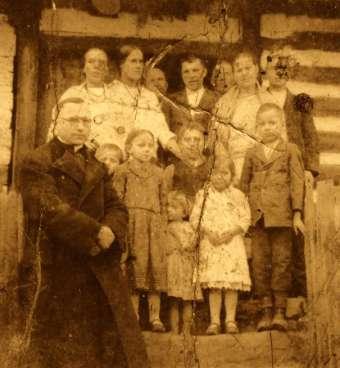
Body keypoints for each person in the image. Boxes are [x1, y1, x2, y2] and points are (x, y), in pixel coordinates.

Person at [20, 98, 149, 368]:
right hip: (58, 263)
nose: (81, 126)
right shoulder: (38, 161)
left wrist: (111, 230)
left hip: (99, 258)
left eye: (85, 121)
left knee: (115, 345)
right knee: (68, 348)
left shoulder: (96, 163)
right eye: (73, 120)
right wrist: (96, 232)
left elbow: (117, 206)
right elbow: (50, 209)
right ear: (57, 122)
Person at [240, 103, 305, 332]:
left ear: (282, 125)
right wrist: (244, 217)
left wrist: (297, 214)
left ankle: (279, 311)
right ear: (257, 127)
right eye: (263, 124)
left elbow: (297, 184)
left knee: (282, 262)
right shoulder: (252, 152)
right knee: (259, 264)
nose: (268, 128)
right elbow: (243, 185)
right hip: (258, 219)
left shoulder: (290, 150)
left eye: (272, 123)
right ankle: (265, 310)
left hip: (282, 218)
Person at [263, 45, 320, 300]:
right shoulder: (258, 98)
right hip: (267, 173)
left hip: (294, 172)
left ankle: (299, 293)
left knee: (296, 232)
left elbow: (311, 137)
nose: (281, 73)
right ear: (266, 69)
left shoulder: (299, 101)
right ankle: (267, 297)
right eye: (276, 68)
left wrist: (309, 169)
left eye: (286, 70)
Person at [113, 129, 167, 333]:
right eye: (140, 145)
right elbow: (117, 200)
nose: (146, 149)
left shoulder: (159, 173)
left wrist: (161, 225)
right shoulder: (122, 171)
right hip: (132, 225)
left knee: (155, 269)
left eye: (150, 145)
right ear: (129, 148)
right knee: (134, 270)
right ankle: (133, 317)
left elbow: (163, 202)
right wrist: (121, 225)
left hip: (153, 227)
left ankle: (155, 317)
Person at [190, 159, 251, 335]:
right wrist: (208, 232)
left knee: (231, 284)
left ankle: (230, 320)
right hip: (211, 243)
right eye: (215, 173)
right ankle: (214, 321)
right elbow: (195, 218)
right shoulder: (203, 195)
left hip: (232, 243)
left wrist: (232, 232)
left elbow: (245, 218)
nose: (220, 177)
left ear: (232, 176)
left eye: (225, 173)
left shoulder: (238, 195)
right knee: (215, 284)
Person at [108, 45, 182, 160]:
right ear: (121, 65)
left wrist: (183, 155)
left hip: (149, 162)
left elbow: (162, 131)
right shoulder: (109, 93)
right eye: (133, 61)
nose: (138, 66)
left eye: (140, 62)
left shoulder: (149, 96)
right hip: (120, 161)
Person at [214, 50, 266, 184]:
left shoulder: (269, 101)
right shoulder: (224, 103)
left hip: (262, 167)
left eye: (248, 68)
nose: (244, 73)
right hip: (233, 167)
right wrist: (228, 170)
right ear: (234, 75)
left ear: (256, 69)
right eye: (239, 70)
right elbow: (218, 142)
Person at [48, 48, 117, 147]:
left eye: (101, 62)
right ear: (84, 68)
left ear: (106, 69)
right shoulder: (72, 94)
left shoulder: (117, 96)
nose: (96, 66)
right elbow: (55, 128)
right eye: (91, 61)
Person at [166, 191, 202, 334]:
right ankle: (174, 330)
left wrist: (189, 244)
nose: (169, 210)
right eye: (168, 207)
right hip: (173, 266)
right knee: (174, 301)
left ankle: (186, 331)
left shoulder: (189, 227)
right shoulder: (167, 227)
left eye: (174, 207)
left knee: (187, 300)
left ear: (184, 211)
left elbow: (193, 243)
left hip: (186, 266)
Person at [169, 54, 218, 135]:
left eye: (195, 70)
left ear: (204, 72)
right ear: (181, 75)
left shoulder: (217, 99)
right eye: (186, 72)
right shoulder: (171, 100)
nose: (191, 76)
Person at [165, 123, 211, 204]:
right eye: (187, 140)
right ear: (179, 143)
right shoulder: (172, 169)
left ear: (205, 142)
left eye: (197, 139)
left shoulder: (211, 169)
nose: (192, 144)